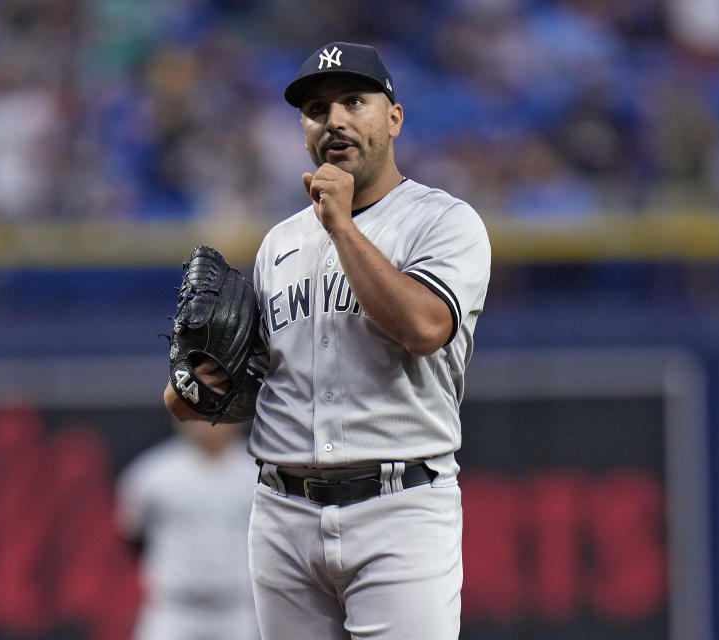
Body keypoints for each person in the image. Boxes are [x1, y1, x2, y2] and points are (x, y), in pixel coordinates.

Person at [163, 41, 491, 639]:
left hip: (399, 507)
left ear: (393, 117)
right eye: (316, 109)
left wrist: (339, 224)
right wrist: (196, 386)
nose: (334, 119)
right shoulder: (278, 245)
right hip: (282, 512)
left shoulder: (443, 222)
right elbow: (196, 402)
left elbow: (423, 328)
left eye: (354, 102)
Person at [115, 418, 260, 640]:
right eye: (198, 414)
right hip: (173, 609)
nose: (209, 423)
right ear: (179, 417)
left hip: (238, 608)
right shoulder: (150, 474)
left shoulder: (257, 475)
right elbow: (131, 535)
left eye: (217, 414)